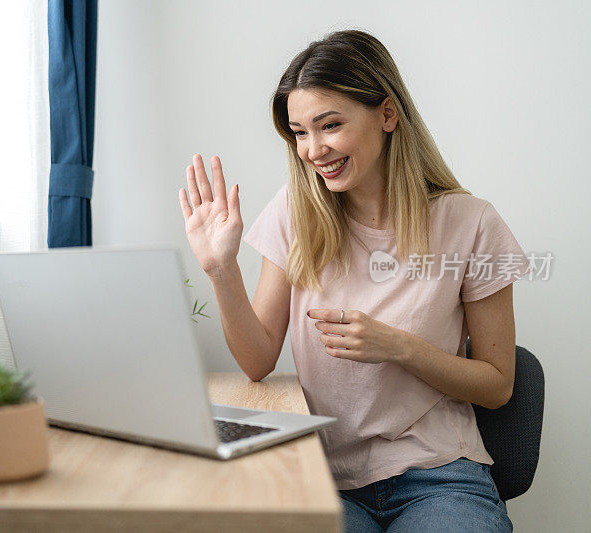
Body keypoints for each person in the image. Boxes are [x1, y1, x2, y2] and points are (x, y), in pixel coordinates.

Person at [178, 29, 530, 532]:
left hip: (438, 475)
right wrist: (221, 269)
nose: (313, 149)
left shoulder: (471, 223)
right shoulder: (294, 214)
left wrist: (397, 347)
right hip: (322, 477)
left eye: (330, 125)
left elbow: (498, 386)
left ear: (387, 115)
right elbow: (256, 360)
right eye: (299, 132)